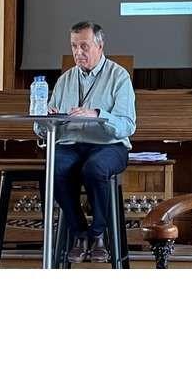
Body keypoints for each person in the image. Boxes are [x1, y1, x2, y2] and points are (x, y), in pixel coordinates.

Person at [48, 21, 136, 263]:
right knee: (54, 167)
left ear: (100, 46)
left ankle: (99, 233)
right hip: (71, 143)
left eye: (84, 46)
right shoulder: (65, 80)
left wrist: (98, 114)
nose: (78, 52)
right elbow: (43, 126)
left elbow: (127, 125)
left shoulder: (119, 77)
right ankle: (79, 233)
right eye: (74, 46)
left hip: (109, 145)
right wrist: (49, 119)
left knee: (95, 168)